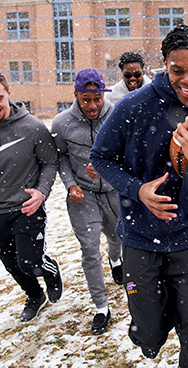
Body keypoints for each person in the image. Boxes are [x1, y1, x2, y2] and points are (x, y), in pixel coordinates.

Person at [90, 24, 188, 367]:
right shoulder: (133, 107)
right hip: (140, 240)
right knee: (149, 336)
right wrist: (137, 190)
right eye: (177, 70)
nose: (187, 79)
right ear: (165, 65)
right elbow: (100, 157)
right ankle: (153, 325)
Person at [0, 70, 62, 322]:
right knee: (11, 263)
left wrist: (41, 192)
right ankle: (35, 296)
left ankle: (50, 270)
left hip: (28, 207)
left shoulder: (33, 127)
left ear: (8, 93)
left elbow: (50, 163)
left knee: (29, 261)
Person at [51, 68, 123, 336]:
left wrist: (109, 167)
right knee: (90, 249)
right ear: (76, 95)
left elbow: (128, 151)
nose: (92, 105)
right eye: (85, 99)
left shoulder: (116, 115)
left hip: (115, 191)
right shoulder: (61, 123)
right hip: (84, 194)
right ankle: (101, 307)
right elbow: (60, 158)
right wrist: (70, 184)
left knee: (117, 237)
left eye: (96, 99)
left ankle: (115, 260)